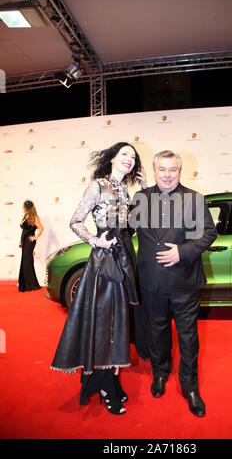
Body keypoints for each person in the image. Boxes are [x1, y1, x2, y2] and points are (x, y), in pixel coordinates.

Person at [51, 142, 142, 415]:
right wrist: (94, 241)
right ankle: (104, 385)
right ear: (112, 157)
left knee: (119, 322)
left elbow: (131, 227)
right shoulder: (97, 186)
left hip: (125, 256)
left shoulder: (126, 189)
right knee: (106, 323)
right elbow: (75, 221)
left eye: (134, 157)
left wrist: (145, 185)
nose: (129, 159)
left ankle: (112, 379)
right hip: (104, 262)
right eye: (125, 154)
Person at [132, 150, 217, 417]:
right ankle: (160, 373)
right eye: (162, 170)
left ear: (180, 172)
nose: (167, 175)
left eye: (173, 170)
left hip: (185, 282)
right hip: (151, 282)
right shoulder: (141, 198)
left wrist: (182, 251)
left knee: (188, 337)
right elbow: (126, 230)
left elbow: (208, 233)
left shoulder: (193, 199)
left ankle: (190, 386)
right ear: (154, 170)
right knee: (156, 332)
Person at [18, 200, 43, 292]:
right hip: (24, 241)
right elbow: (24, 230)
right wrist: (20, 241)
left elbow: (41, 228)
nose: (23, 208)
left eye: (24, 207)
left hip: (29, 241)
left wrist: (35, 237)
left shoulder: (34, 217)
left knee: (27, 261)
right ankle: (26, 284)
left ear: (26, 208)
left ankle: (31, 285)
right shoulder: (26, 216)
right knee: (25, 261)